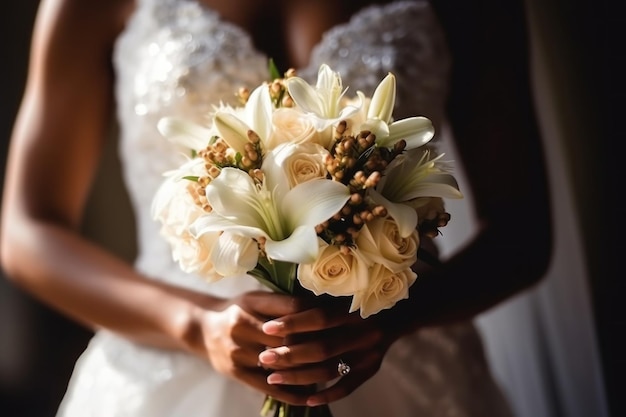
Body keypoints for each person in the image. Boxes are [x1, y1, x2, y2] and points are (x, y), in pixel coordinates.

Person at [0, 0, 552, 416]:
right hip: (169, 357)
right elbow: (27, 230)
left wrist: (394, 319)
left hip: (399, 361)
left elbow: (522, 232)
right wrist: (193, 322)